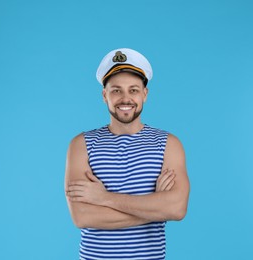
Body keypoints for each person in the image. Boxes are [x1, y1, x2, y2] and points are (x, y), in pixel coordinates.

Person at [65, 48, 190, 260]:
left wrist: (103, 198)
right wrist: (156, 209)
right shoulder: (81, 144)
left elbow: (176, 208)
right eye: (116, 90)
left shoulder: (168, 144)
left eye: (133, 90)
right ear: (105, 95)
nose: (125, 98)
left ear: (144, 94)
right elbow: (82, 216)